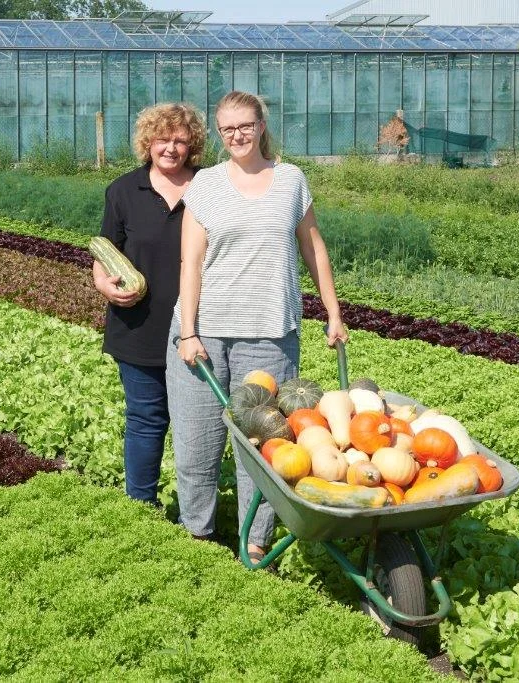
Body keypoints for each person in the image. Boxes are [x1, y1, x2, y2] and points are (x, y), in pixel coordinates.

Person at [168, 90, 348, 563]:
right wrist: (187, 331)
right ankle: (199, 540)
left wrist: (333, 312)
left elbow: (314, 249)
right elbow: (191, 261)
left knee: (262, 449)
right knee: (196, 445)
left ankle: (254, 545)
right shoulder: (205, 184)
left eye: (244, 126)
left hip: (270, 333)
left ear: (261, 125)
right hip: (205, 335)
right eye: (226, 129)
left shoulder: (290, 181)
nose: (236, 135)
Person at [94, 102, 208, 507]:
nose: (171, 148)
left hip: (199, 329)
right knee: (145, 420)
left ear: (192, 144)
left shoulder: (210, 187)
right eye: (163, 139)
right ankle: (140, 507)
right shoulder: (124, 190)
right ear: (148, 142)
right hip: (138, 326)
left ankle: (196, 512)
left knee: (196, 426)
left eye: (180, 140)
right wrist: (105, 286)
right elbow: (105, 251)